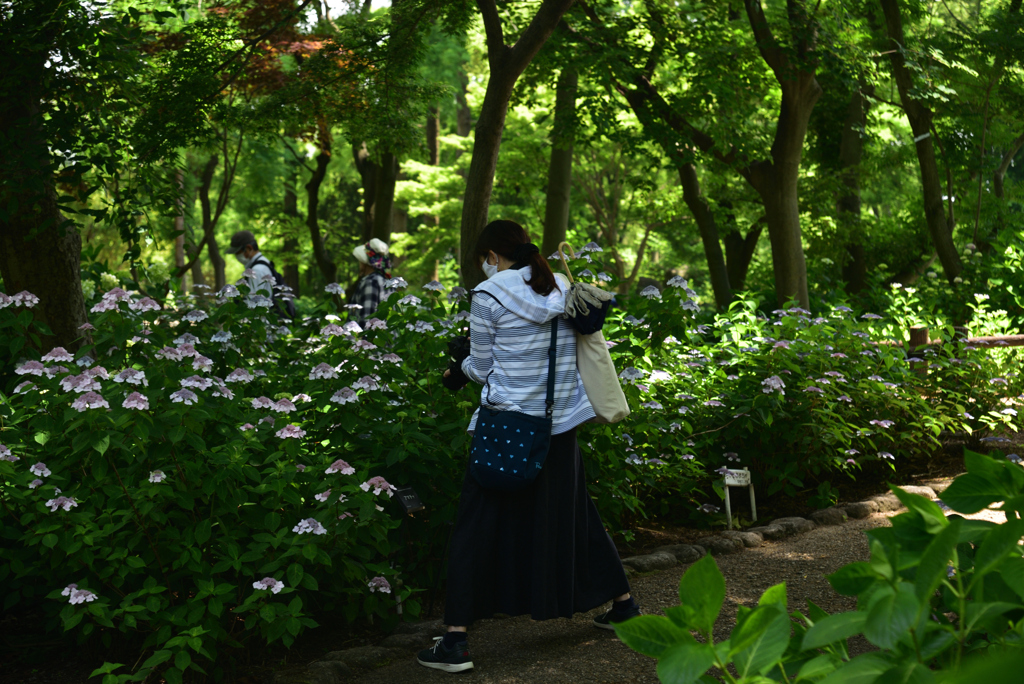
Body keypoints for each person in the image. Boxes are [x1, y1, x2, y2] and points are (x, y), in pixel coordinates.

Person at [420, 220, 639, 674]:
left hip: (508, 427)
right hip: (559, 425)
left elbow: (481, 367)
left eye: (484, 259)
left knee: (475, 527)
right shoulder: (562, 285)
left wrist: (456, 369)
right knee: (575, 514)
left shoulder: (488, 295)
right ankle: (623, 606)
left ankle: (456, 642)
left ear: (493, 256)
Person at [224, 230, 296, 319]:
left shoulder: (257, 271)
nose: (236, 256)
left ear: (249, 248)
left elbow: (255, 307)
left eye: (238, 253)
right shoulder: (264, 264)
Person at [348, 238, 391, 323]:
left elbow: (366, 318)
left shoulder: (370, 282)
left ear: (365, 262)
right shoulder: (388, 281)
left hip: (371, 336)